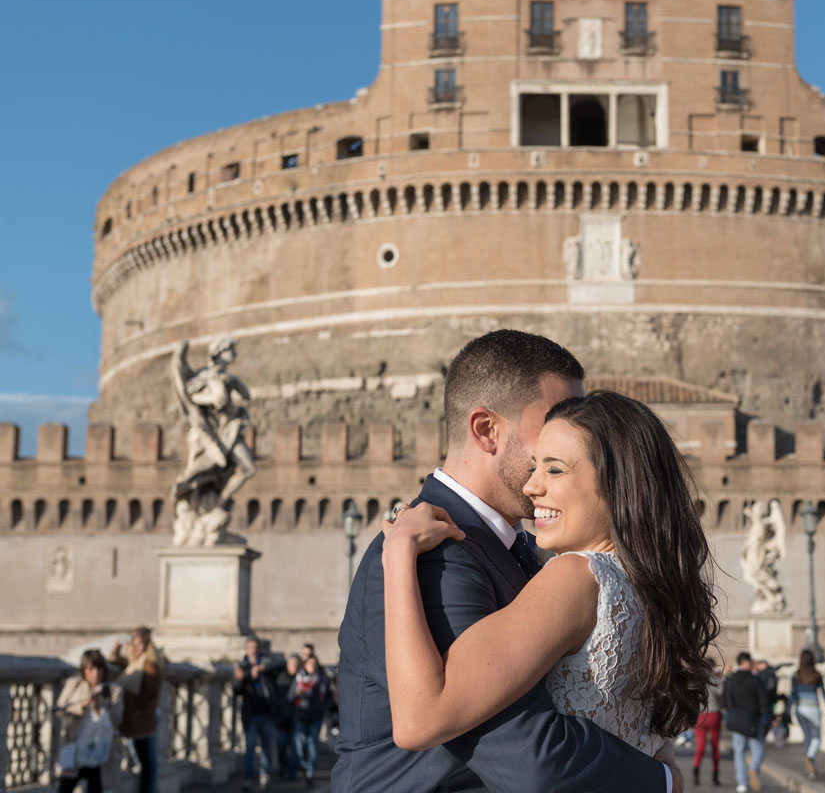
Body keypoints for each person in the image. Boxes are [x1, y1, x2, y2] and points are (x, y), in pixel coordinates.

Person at [334, 330, 695, 792]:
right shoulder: (438, 555)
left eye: (560, 462)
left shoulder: (545, 559)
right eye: (551, 425)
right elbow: (524, 751)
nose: (540, 477)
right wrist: (661, 779)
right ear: (486, 430)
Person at [55, 649, 124, 792]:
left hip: (101, 751)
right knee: (65, 786)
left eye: (99, 668)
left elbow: (117, 719)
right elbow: (61, 709)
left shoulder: (113, 690)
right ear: (84, 670)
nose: (96, 673)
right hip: (75, 748)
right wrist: (82, 706)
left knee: (96, 787)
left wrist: (99, 709)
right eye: (91, 669)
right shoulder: (75, 684)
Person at [110, 626, 163, 793]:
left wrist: (138, 708)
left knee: (146, 761)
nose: (136, 647)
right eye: (134, 644)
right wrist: (116, 651)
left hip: (141, 721)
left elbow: (151, 693)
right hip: (134, 720)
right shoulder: (135, 662)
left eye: (140, 644)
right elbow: (116, 667)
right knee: (142, 760)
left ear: (147, 645)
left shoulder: (148, 664)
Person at [724, 652, 769, 793]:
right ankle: (753, 769)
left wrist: (732, 711)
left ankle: (742, 783)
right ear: (745, 662)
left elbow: (726, 698)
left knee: (739, 751)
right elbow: (763, 701)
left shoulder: (731, 680)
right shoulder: (755, 680)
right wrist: (766, 717)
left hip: (737, 719)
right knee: (758, 748)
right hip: (753, 719)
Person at [234, 636, 275, 790]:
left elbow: (279, 665)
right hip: (250, 715)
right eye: (250, 647)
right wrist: (240, 679)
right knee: (250, 748)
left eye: (255, 647)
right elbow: (235, 690)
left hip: (266, 712)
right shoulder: (241, 666)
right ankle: (248, 778)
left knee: (266, 748)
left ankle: (265, 775)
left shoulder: (265, 662)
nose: (253, 650)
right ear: (246, 650)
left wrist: (261, 668)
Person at [789, 648, 825, 779]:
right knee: (817, 737)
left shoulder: (796, 675)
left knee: (807, 736)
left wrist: (788, 712)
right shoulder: (817, 675)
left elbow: (793, 695)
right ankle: (810, 756)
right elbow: (823, 693)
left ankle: (811, 770)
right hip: (813, 708)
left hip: (800, 708)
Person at [291, 655, 331, 786]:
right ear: (305, 665)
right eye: (309, 664)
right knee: (300, 744)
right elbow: (289, 697)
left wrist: (321, 708)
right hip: (301, 716)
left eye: (314, 664)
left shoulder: (322, 680)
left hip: (315, 717)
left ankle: (310, 772)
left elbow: (329, 699)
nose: (312, 667)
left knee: (313, 744)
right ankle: (303, 764)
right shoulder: (298, 679)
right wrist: (296, 693)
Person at [692, 664, 725, 787]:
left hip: (700, 715)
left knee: (700, 747)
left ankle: (696, 773)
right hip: (714, 714)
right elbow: (721, 694)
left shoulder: (696, 681)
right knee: (715, 746)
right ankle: (715, 776)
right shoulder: (715, 680)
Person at [271, 654, 300, 783]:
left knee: (294, 748)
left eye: (296, 664)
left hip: (296, 719)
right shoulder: (280, 678)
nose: (294, 667)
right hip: (281, 719)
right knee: (281, 746)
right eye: (292, 664)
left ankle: (292, 773)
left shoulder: (302, 679)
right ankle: (283, 767)